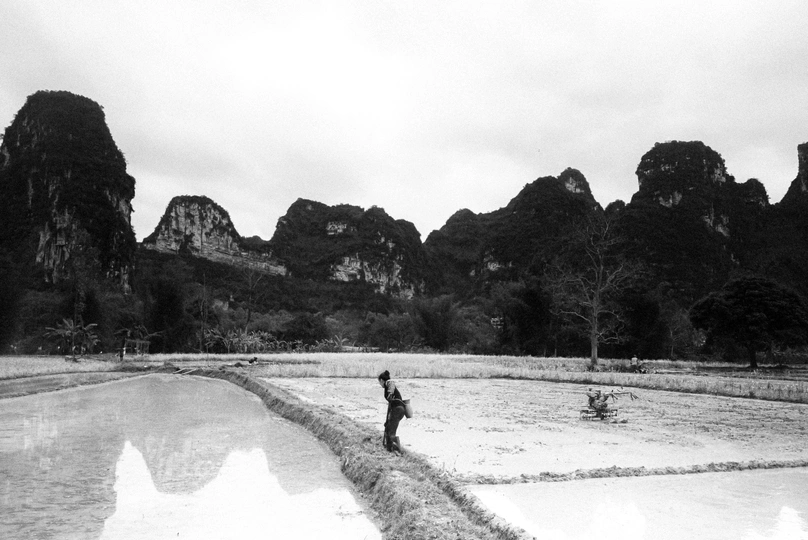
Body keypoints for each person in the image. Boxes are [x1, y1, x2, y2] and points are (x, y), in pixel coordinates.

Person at [378, 370, 406, 453]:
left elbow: (391, 384)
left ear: (381, 380)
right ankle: (389, 448)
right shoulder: (386, 386)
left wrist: (390, 393)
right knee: (388, 427)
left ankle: (395, 450)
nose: (380, 384)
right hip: (396, 409)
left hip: (398, 409)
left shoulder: (388, 383)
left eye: (379, 382)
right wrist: (387, 420)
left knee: (391, 430)